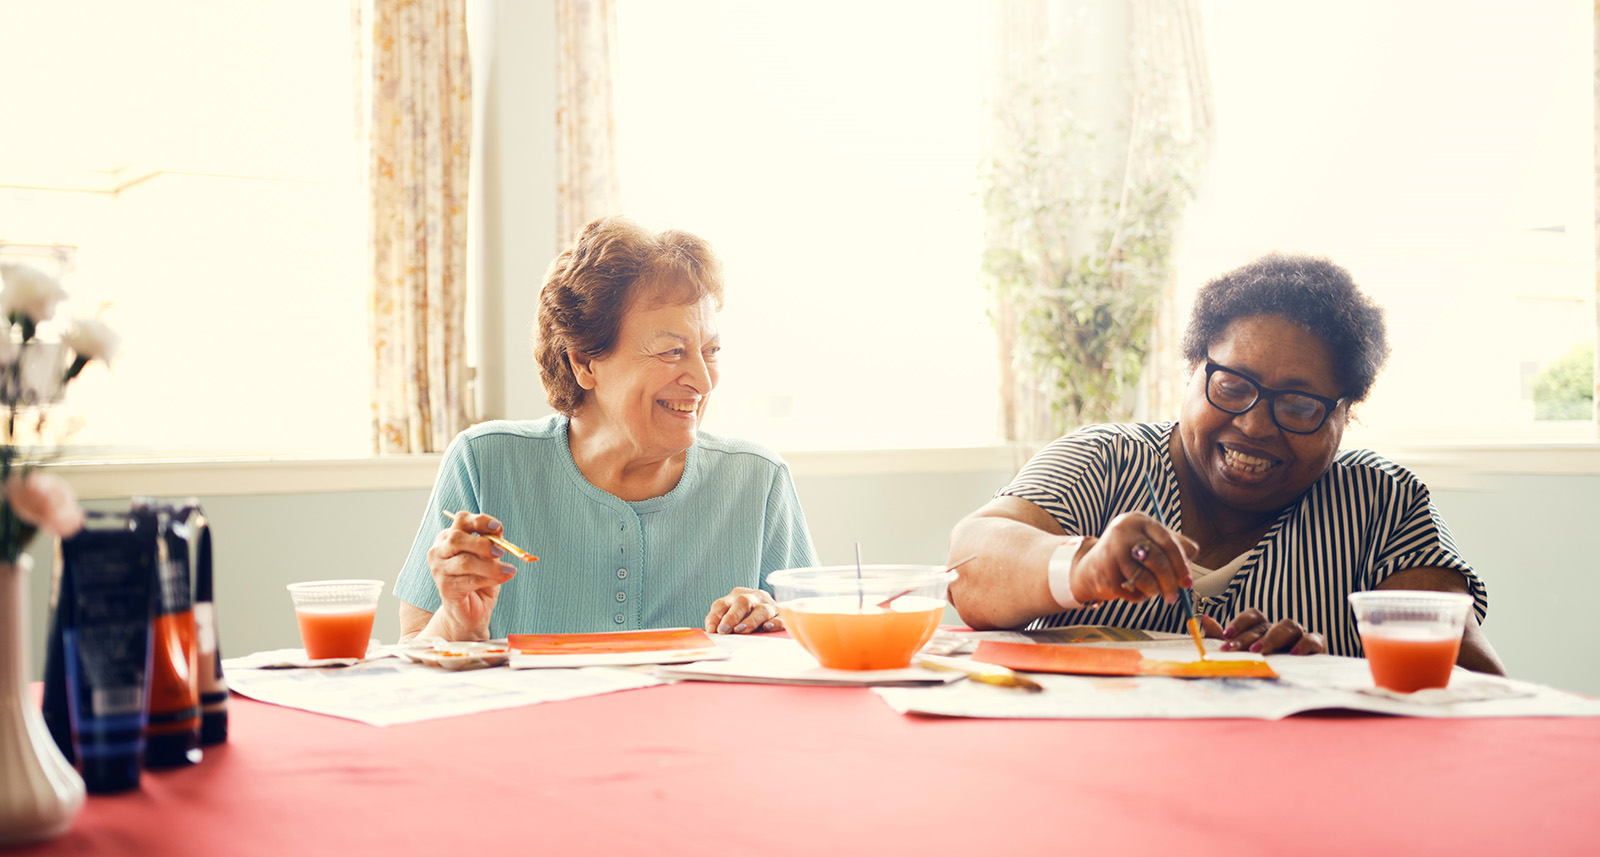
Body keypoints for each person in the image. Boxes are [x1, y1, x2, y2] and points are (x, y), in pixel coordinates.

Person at [947, 252, 1505, 673]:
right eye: (1233, 386)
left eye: (1299, 404)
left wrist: (1333, 681)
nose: (1256, 425)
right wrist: (1082, 568)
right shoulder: (1100, 459)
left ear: (1346, 415)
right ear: (1192, 370)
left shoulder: (1382, 504)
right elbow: (968, 569)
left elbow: (1481, 689)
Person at [395, 217, 817, 641]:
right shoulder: (484, 462)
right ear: (584, 363)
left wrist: (774, 624)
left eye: (710, 351)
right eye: (673, 351)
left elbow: (814, 651)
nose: (703, 381)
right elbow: (413, 649)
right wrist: (454, 624)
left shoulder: (758, 479)